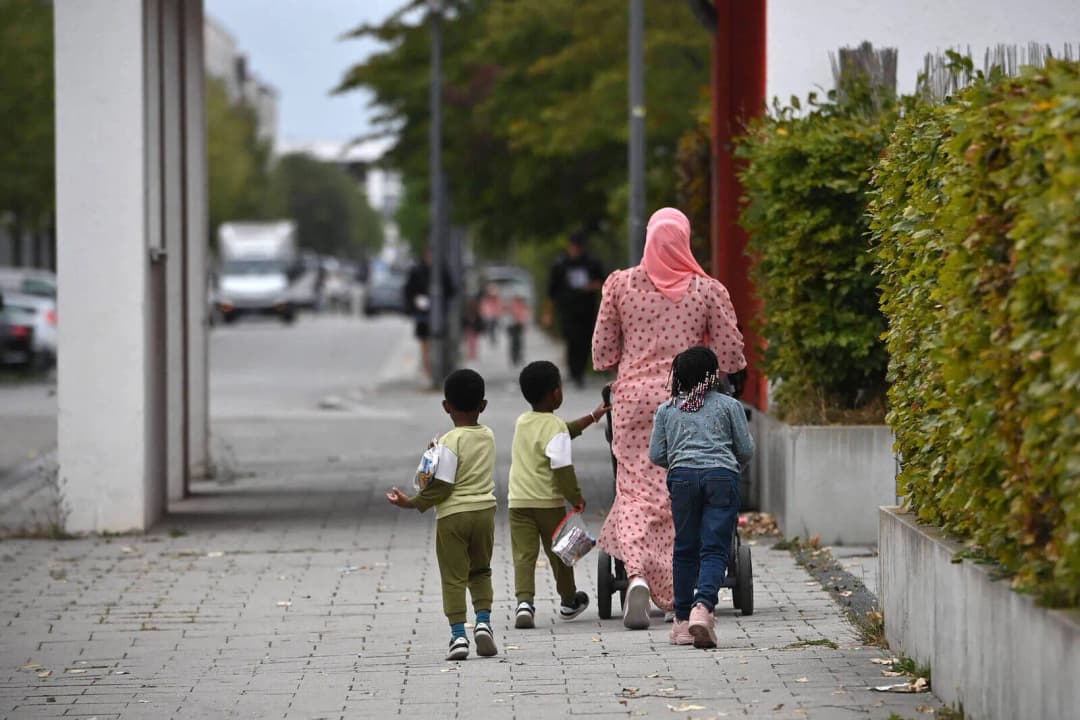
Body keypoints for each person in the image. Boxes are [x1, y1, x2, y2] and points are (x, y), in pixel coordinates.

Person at [592, 207, 745, 629]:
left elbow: (602, 354)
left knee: (637, 491)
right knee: (684, 486)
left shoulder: (620, 286)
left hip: (635, 405)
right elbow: (731, 355)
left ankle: (639, 574)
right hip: (690, 401)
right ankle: (689, 582)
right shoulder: (707, 290)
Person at [386, 369, 498, 661]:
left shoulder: (448, 440)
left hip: (453, 517)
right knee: (481, 570)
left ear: (446, 406)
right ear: (483, 405)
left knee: (453, 577)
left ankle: (459, 636)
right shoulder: (488, 435)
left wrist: (412, 502)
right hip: (484, 511)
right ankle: (484, 622)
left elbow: (442, 485)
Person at [649, 346, 755, 648]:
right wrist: (731, 467)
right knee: (714, 548)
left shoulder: (667, 410)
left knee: (684, 548)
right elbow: (745, 449)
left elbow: (656, 453)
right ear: (713, 375)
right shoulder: (728, 406)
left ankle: (681, 622)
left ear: (678, 377)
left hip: (682, 478)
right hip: (721, 476)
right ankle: (703, 606)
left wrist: (682, 464)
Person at [509, 360, 610, 629]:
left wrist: (593, 416)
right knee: (561, 553)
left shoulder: (523, 421)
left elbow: (564, 430)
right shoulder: (555, 427)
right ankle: (568, 601)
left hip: (518, 502)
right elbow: (562, 467)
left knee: (524, 555)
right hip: (548, 504)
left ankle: (524, 603)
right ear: (556, 393)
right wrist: (575, 496)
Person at [546, 230, 605, 388]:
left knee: (585, 341)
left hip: (587, 309)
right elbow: (552, 291)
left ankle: (580, 371)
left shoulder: (591, 263)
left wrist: (591, 286)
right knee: (572, 339)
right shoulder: (560, 264)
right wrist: (548, 313)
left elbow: (603, 282)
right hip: (567, 310)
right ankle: (574, 372)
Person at [404, 249, 453, 381]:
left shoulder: (442, 271)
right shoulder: (417, 271)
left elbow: (451, 289)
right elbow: (408, 291)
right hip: (422, 313)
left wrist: (442, 302)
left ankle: (435, 367)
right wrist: (415, 302)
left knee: (437, 340)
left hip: (438, 313)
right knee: (425, 341)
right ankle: (428, 369)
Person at [504, 293, 531, 367]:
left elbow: (525, 316)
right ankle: (514, 358)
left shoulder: (521, 306)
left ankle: (518, 357)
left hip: (518, 325)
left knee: (518, 342)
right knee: (514, 343)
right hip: (512, 326)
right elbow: (507, 316)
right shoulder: (511, 306)